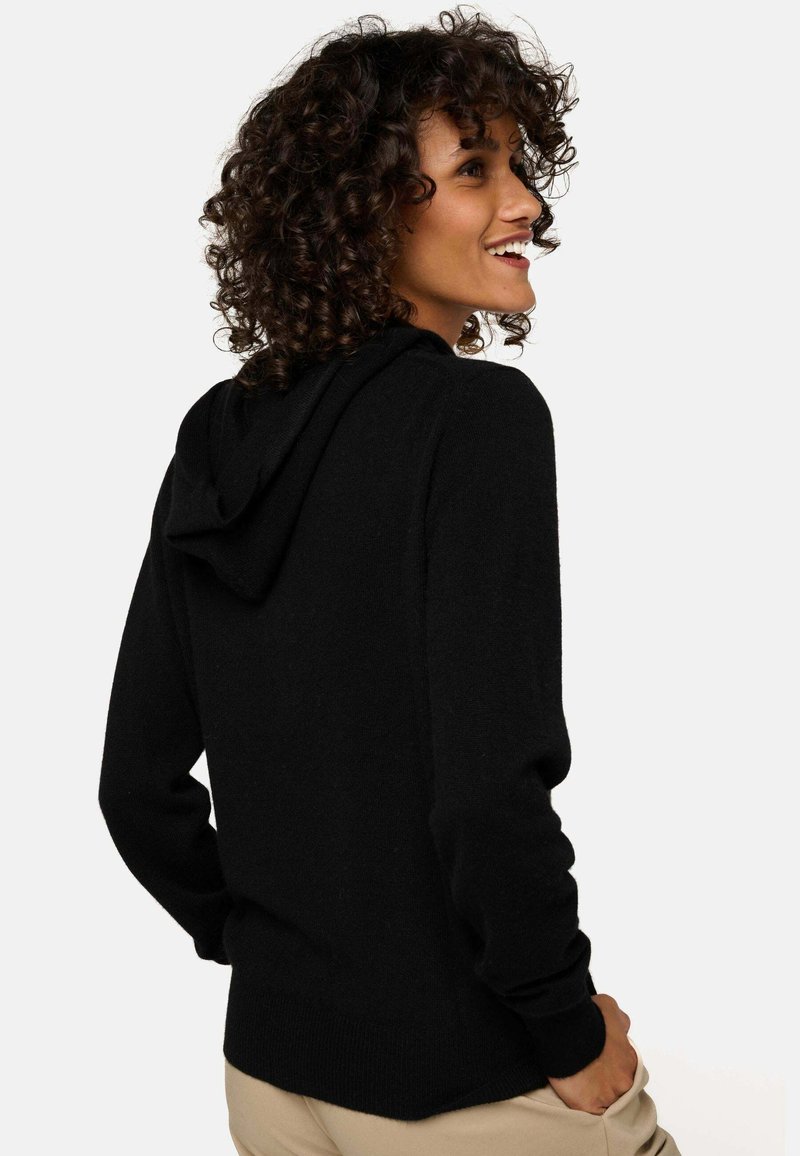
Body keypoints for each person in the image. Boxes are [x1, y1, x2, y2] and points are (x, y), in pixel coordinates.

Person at [98, 9, 682, 1155]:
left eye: (517, 166)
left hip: (268, 1075)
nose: (524, 204)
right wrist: (567, 1031)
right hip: (459, 1086)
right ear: (366, 208)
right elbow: (485, 792)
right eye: (474, 170)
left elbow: (135, 785)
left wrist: (266, 950)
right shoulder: (476, 422)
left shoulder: (220, 433)